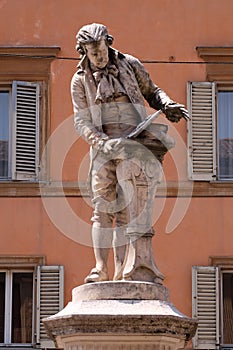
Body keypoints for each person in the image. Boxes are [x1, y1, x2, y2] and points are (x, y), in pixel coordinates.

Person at [71, 23, 188, 283]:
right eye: (93, 53)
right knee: (102, 210)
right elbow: (81, 121)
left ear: (109, 43)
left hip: (135, 143)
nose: (99, 57)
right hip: (103, 147)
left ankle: (123, 271)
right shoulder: (80, 80)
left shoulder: (130, 65)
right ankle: (100, 269)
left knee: (126, 212)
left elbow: (152, 92)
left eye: (101, 50)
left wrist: (167, 105)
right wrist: (101, 142)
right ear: (84, 52)